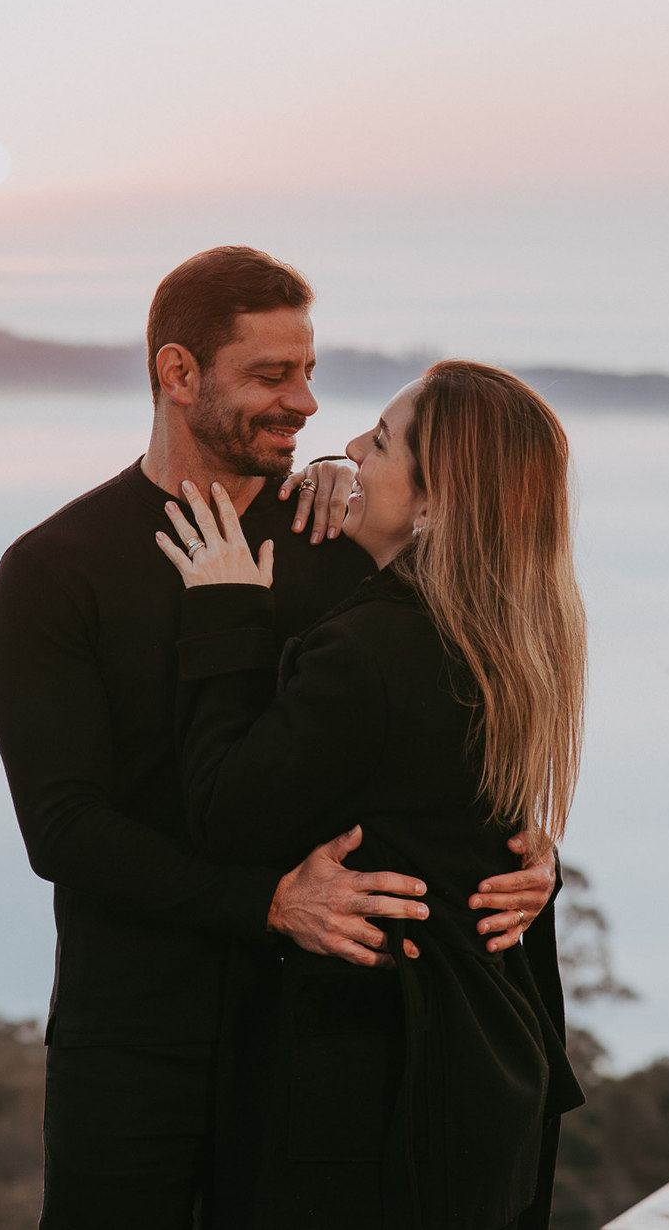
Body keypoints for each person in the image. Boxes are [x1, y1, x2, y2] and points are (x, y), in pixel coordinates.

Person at [0, 249, 557, 1230]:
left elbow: (435, 722)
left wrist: (528, 849)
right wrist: (265, 904)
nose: (305, 404)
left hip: (315, 1046)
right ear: (177, 374)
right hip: (134, 1034)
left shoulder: (343, 546)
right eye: (270, 375)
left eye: (309, 372)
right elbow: (64, 827)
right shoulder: (55, 568)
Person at [159, 359, 587, 1229]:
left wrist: (225, 611)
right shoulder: (519, 634)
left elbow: (222, 813)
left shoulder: (372, 653)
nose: (349, 446)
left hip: (379, 1099)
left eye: (381, 443)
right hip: (497, 1065)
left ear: (433, 504)